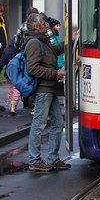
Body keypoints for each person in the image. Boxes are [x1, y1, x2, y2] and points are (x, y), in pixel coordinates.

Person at [24, 13, 70, 172]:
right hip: (44, 88)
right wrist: (53, 74)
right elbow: (32, 68)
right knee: (39, 124)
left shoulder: (42, 41)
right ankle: (34, 160)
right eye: (43, 24)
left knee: (58, 122)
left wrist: (70, 42)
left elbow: (53, 52)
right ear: (37, 27)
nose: (47, 26)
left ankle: (52, 158)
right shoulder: (34, 43)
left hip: (50, 88)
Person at [0, 36, 21, 114]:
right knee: (16, 89)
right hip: (18, 73)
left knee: (11, 88)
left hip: (8, 73)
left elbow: (2, 62)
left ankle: (10, 102)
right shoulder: (20, 51)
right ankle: (13, 104)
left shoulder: (6, 50)